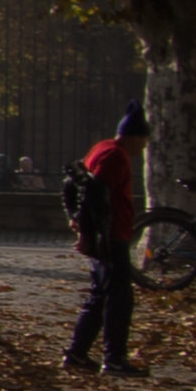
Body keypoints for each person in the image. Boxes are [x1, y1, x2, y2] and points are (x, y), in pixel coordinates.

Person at [65, 104, 148, 374]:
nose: (144, 147)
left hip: (104, 234)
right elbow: (95, 194)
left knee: (99, 296)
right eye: (143, 140)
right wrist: (89, 233)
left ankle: (77, 353)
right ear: (134, 137)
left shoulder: (102, 148)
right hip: (110, 235)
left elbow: (77, 185)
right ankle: (114, 357)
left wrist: (78, 221)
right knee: (119, 298)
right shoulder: (116, 156)